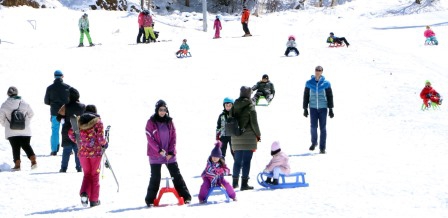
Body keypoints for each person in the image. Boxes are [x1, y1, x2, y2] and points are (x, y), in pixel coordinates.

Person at [144, 100, 192, 207]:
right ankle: (150, 199)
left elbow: (173, 137)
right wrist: (158, 150)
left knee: (176, 174)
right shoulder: (151, 122)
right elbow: (149, 138)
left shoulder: (169, 122)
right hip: (155, 154)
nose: (162, 112)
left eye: (164, 110)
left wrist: (171, 151)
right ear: (157, 110)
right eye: (160, 110)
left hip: (169, 154)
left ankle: (186, 197)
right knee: (155, 177)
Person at [68, 104, 107, 207]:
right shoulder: (98, 122)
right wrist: (104, 144)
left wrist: (79, 142)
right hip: (96, 154)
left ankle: (84, 193)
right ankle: (94, 200)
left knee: (87, 174)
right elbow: (100, 138)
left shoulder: (79, 121)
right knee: (94, 175)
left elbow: (71, 133)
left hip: (82, 153)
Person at [230, 86, 261, 190]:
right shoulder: (250, 106)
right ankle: (244, 184)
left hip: (235, 136)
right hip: (248, 137)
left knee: (237, 161)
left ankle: (234, 183)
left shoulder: (234, 105)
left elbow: (230, 119)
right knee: (246, 161)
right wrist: (258, 134)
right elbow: (254, 123)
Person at [0, 87, 37, 171]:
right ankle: (33, 160)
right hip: (25, 130)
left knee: (15, 147)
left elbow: (1, 118)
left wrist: (6, 125)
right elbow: (31, 114)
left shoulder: (5, 105)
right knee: (26, 145)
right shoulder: (24, 103)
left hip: (11, 130)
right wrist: (25, 122)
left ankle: (17, 165)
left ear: (8, 94)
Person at [303, 66, 334, 154]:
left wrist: (331, 109)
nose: (318, 72)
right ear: (315, 71)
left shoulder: (326, 83)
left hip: (323, 107)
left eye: (319, 70)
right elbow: (306, 96)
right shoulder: (309, 83)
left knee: (323, 128)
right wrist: (305, 108)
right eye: (316, 70)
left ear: (322, 72)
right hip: (313, 107)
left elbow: (329, 96)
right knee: (313, 127)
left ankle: (322, 147)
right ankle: (314, 143)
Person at [57, 87, 85, 172]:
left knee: (66, 150)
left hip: (67, 130)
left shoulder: (65, 106)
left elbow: (59, 117)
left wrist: (63, 120)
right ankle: (79, 167)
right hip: (79, 130)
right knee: (78, 150)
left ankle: (63, 168)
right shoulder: (83, 106)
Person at [44, 70, 71, 156]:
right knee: (66, 130)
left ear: (54, 76)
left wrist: (53, 104)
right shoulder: (68, 87)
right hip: (65, 113)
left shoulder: (49, 88)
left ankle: (54, 150)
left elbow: (46, 101)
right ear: (62, 76)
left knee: (55, 131)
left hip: (55, 113)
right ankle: (68, 149)